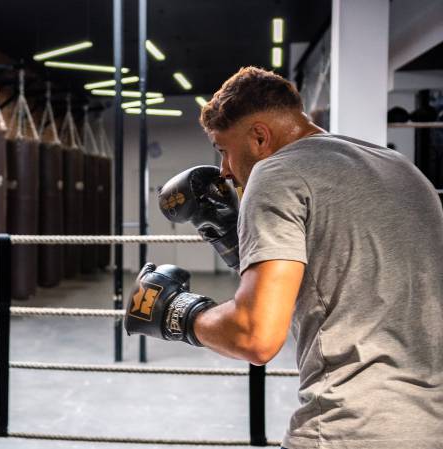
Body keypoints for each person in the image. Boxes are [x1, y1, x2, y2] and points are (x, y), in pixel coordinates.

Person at [125, 67, 443, 448]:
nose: (224, 170)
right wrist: (238, 245)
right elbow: (345, 276)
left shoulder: (276, 173)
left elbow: (255, 336)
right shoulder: (399, 168)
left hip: (348, 427)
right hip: (429, 423)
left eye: (224, 150)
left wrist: (177, 313)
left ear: (259, 136)